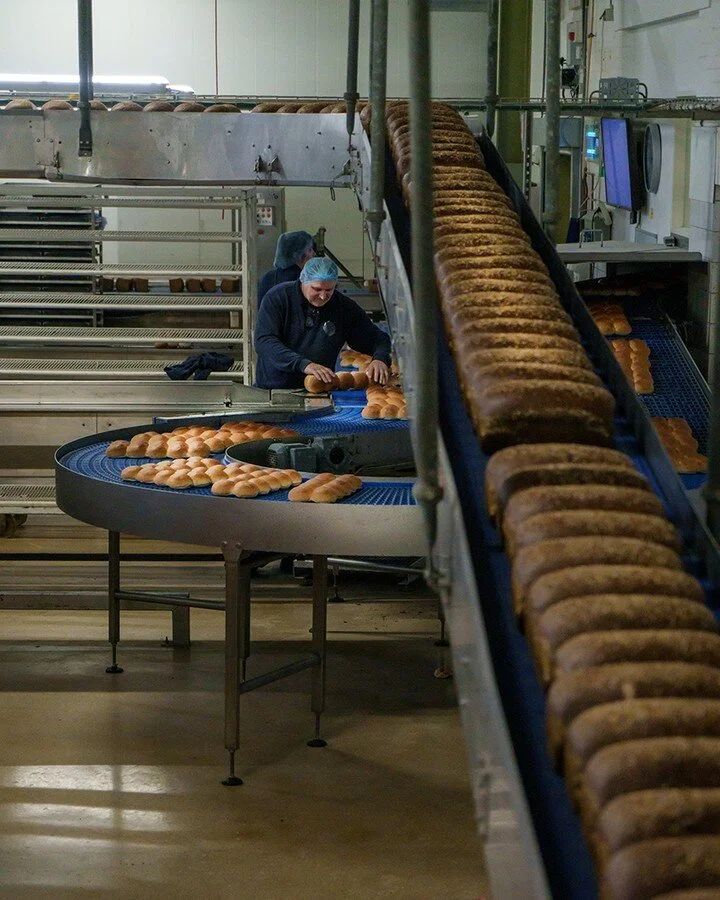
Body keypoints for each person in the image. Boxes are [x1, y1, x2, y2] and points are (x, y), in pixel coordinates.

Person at [254, 257, 391, 389]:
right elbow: (265, 341)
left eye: (329, 290)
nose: (323, 296)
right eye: (317, 289)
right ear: (303, 281)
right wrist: (304, 364)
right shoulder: (279, 298)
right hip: (274, 389)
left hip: (319, 391)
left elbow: (378, 338)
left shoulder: (343, 307)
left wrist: (380, 358)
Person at [257, 230, 315, 307]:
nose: (314, 253)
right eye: (309, 250)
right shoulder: (304, 280)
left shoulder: (268, 277)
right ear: (298, 254)